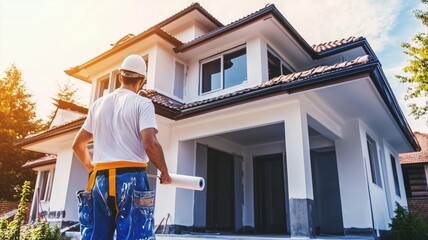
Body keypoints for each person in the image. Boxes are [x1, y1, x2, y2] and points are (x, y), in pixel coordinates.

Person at [72, 54, 171, 240]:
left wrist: (90, 167)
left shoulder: (97, 105)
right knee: (135, 236)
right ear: (141, 81)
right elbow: (150, 143)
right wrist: (164, 171)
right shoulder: (143, 103)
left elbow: (78, 145)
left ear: (120, 77)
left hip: (99, 180)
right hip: (132, 178)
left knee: (96, 236)